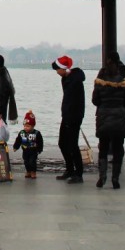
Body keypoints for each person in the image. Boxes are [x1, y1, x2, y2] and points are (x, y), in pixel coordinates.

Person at [91, 52, 125, 189]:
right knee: (118, 149)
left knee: (103, 148)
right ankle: (115, 178)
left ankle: (102, 177)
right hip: (119, 118)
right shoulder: (124, 82)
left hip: (103, 117)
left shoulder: (100, 81)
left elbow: (95, 100)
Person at [52, 55, 86, 183]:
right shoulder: (65, 79)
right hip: (66, 115)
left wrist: (71, 117)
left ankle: (79, 173)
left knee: (72, 145)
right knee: (62, 143)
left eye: (58, 69)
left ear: (64, 69)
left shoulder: (75, 80)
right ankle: (70, 169)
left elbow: (75, 102)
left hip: (74, 116)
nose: (57, 72)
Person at [12, 110, 44, 179]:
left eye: (28, 126)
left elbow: (40, 142)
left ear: (33, 126)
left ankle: (33, 172)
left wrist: (40, 149)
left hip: (34, 151)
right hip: (25, 150)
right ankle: (28, 171)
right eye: (24, 126)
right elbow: (18, 140)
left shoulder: (37, 133)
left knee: (32, 161)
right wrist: (15, 147)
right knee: (26, 161)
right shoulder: (22, 133)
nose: (26, 128)